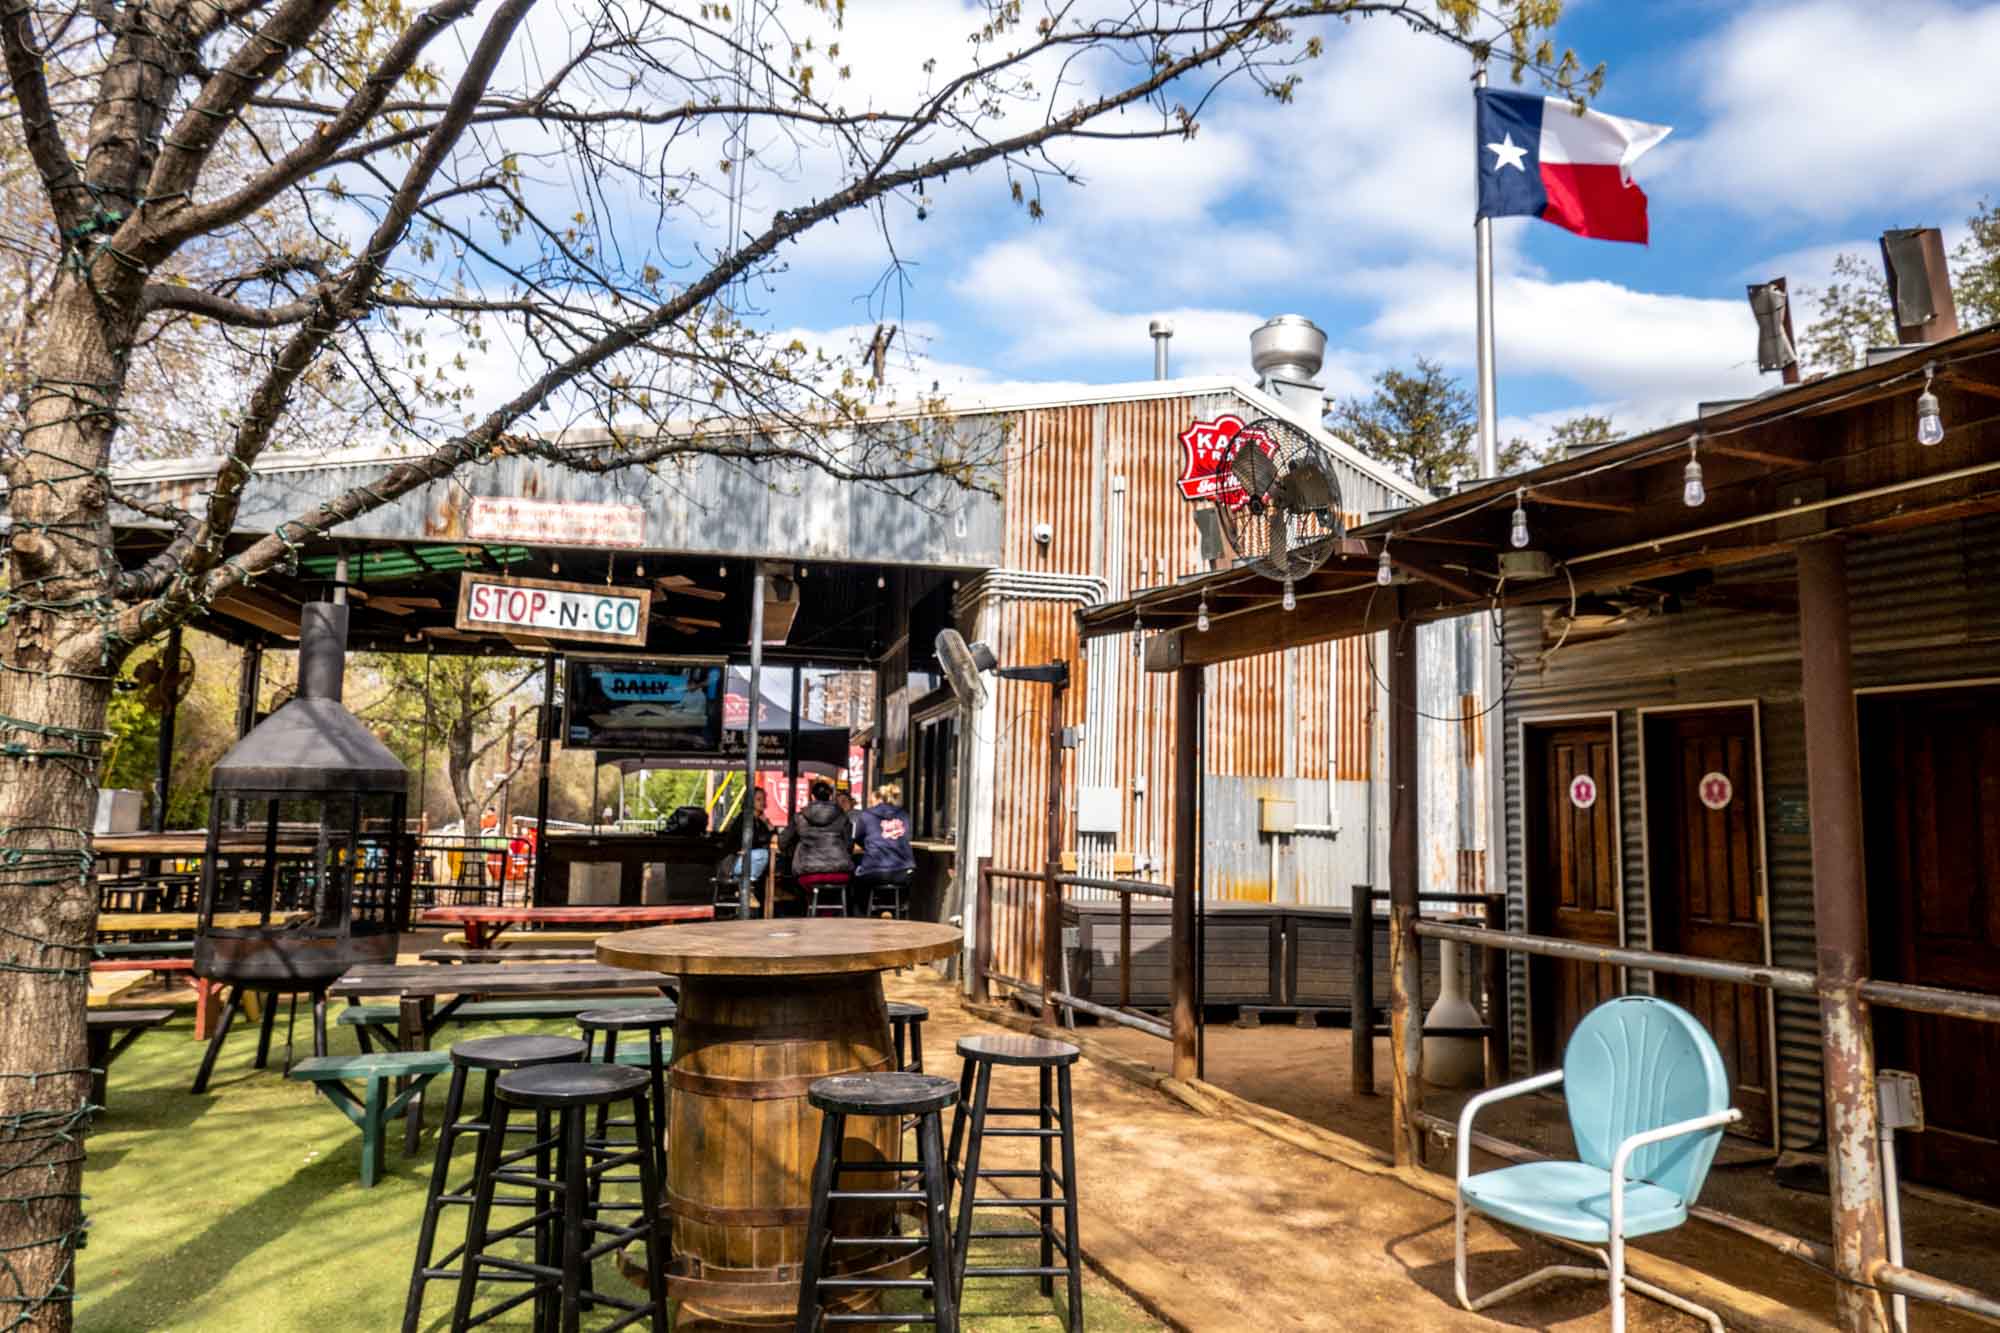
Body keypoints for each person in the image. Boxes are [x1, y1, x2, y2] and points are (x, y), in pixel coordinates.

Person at [781, 780, 855, 913]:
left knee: (793, 881)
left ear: (812, 797)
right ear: (831, 797)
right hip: (839, 873)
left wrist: (795, 852)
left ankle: (813, 912)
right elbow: (849, 845)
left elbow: (783, 842)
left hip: (808, 874)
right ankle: (830, 914)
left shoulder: (800, 817)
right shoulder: (842, 817)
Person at [849, 780, 914, 919]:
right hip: (902, 871)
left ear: (878, 798)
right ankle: (896, 911)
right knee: (904, 886)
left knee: (858, 881)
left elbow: (858, 837)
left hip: (873, 871)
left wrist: (871, 845)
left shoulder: (866, 815)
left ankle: (868, 914)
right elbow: (907, 836)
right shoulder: (903, 814)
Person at [718, 787, 775, 903]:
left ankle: (755, 891)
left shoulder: (759, 821)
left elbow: (773, 836)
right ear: (750, 801)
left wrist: (768, 824)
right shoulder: (744, 819)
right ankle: (747, 888)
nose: (763, 803)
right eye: (759, 799)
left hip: (747, 861)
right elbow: (753, 840)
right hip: (733, 863)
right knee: (762, 854)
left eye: (764, 799)